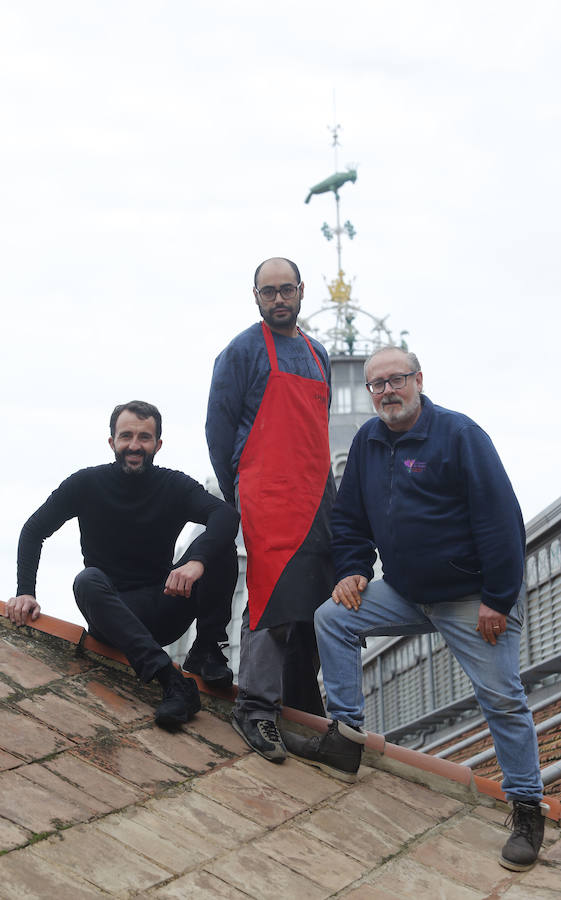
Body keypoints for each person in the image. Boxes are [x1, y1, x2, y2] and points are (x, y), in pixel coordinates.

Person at [284, 346, 545, 871]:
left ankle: (525, 807)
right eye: (376, 385)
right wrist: (353, 569)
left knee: (503, 699)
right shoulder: (367, 442)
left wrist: (498, 598)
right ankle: (346, 737)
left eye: (395, 380)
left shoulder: (459, 436)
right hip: (405, 592)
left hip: (472, 599)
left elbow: (501, 522)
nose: (385, 391)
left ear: (418, 380)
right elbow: (351, 518)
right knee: (332, 618)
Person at [7, 400, 239, 729]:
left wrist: (197, 563)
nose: (134, 445)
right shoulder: (86, 484)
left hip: (164, 604)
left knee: (220, 547)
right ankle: (171, 682)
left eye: (144, 438)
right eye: (126, 435)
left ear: (157, 444)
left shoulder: (173, 485)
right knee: (86, 580)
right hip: (112, 616)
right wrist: (25, 591)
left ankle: (208, 650)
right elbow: (33, 531)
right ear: (111, 441)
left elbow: (225, 515)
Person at [206, 257, 336, 762]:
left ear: (301, 291)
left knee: (317, 602)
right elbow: (219, 432)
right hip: (266, 489)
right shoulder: (240, 352)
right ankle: (255, 707)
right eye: (268, 292)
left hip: (317, 490)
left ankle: (302, 706)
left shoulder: (317, 351)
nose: (278, 299)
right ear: (255, 296)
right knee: (271, 594)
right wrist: (237, 491)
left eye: (286, 290)